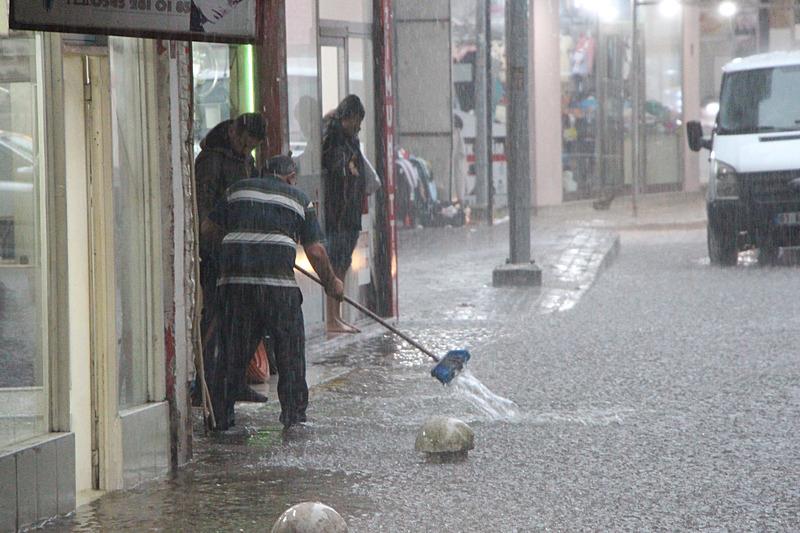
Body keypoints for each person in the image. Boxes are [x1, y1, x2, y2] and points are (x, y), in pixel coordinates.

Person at [203, 154, 344, 430]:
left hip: (235, 286)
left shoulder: (237, 190)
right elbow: (315, 250)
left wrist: (239, 244)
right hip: (278, 291)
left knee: (233, 351)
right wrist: (331, 282)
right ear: (291, 178)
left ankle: (221, 419)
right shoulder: (299, 199)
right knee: (290, 353)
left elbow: (207, 229)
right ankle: (294, 418)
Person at [195, 112, 267, 404]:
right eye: (245, 143)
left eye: (252, 148)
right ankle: (204, 386)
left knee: (243, 320)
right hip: (217, 253)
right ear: (235, 132)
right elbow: (204, 212)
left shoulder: (243, 161)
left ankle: (233, 380)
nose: (246, 151)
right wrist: (218, 245)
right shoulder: (211, 161)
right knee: (214, 318)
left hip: (242, 252)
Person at [321, 94, 367, 334]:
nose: (358, 126)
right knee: (334, 267)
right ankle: (331, 318)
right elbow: (337, 172)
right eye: (356, 120)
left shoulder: (351, 141)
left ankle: (336, 317)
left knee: (342, 265)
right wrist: (347, 167)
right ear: (346, 117)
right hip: (338, 215)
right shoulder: (334, 139)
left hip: (349, 215)